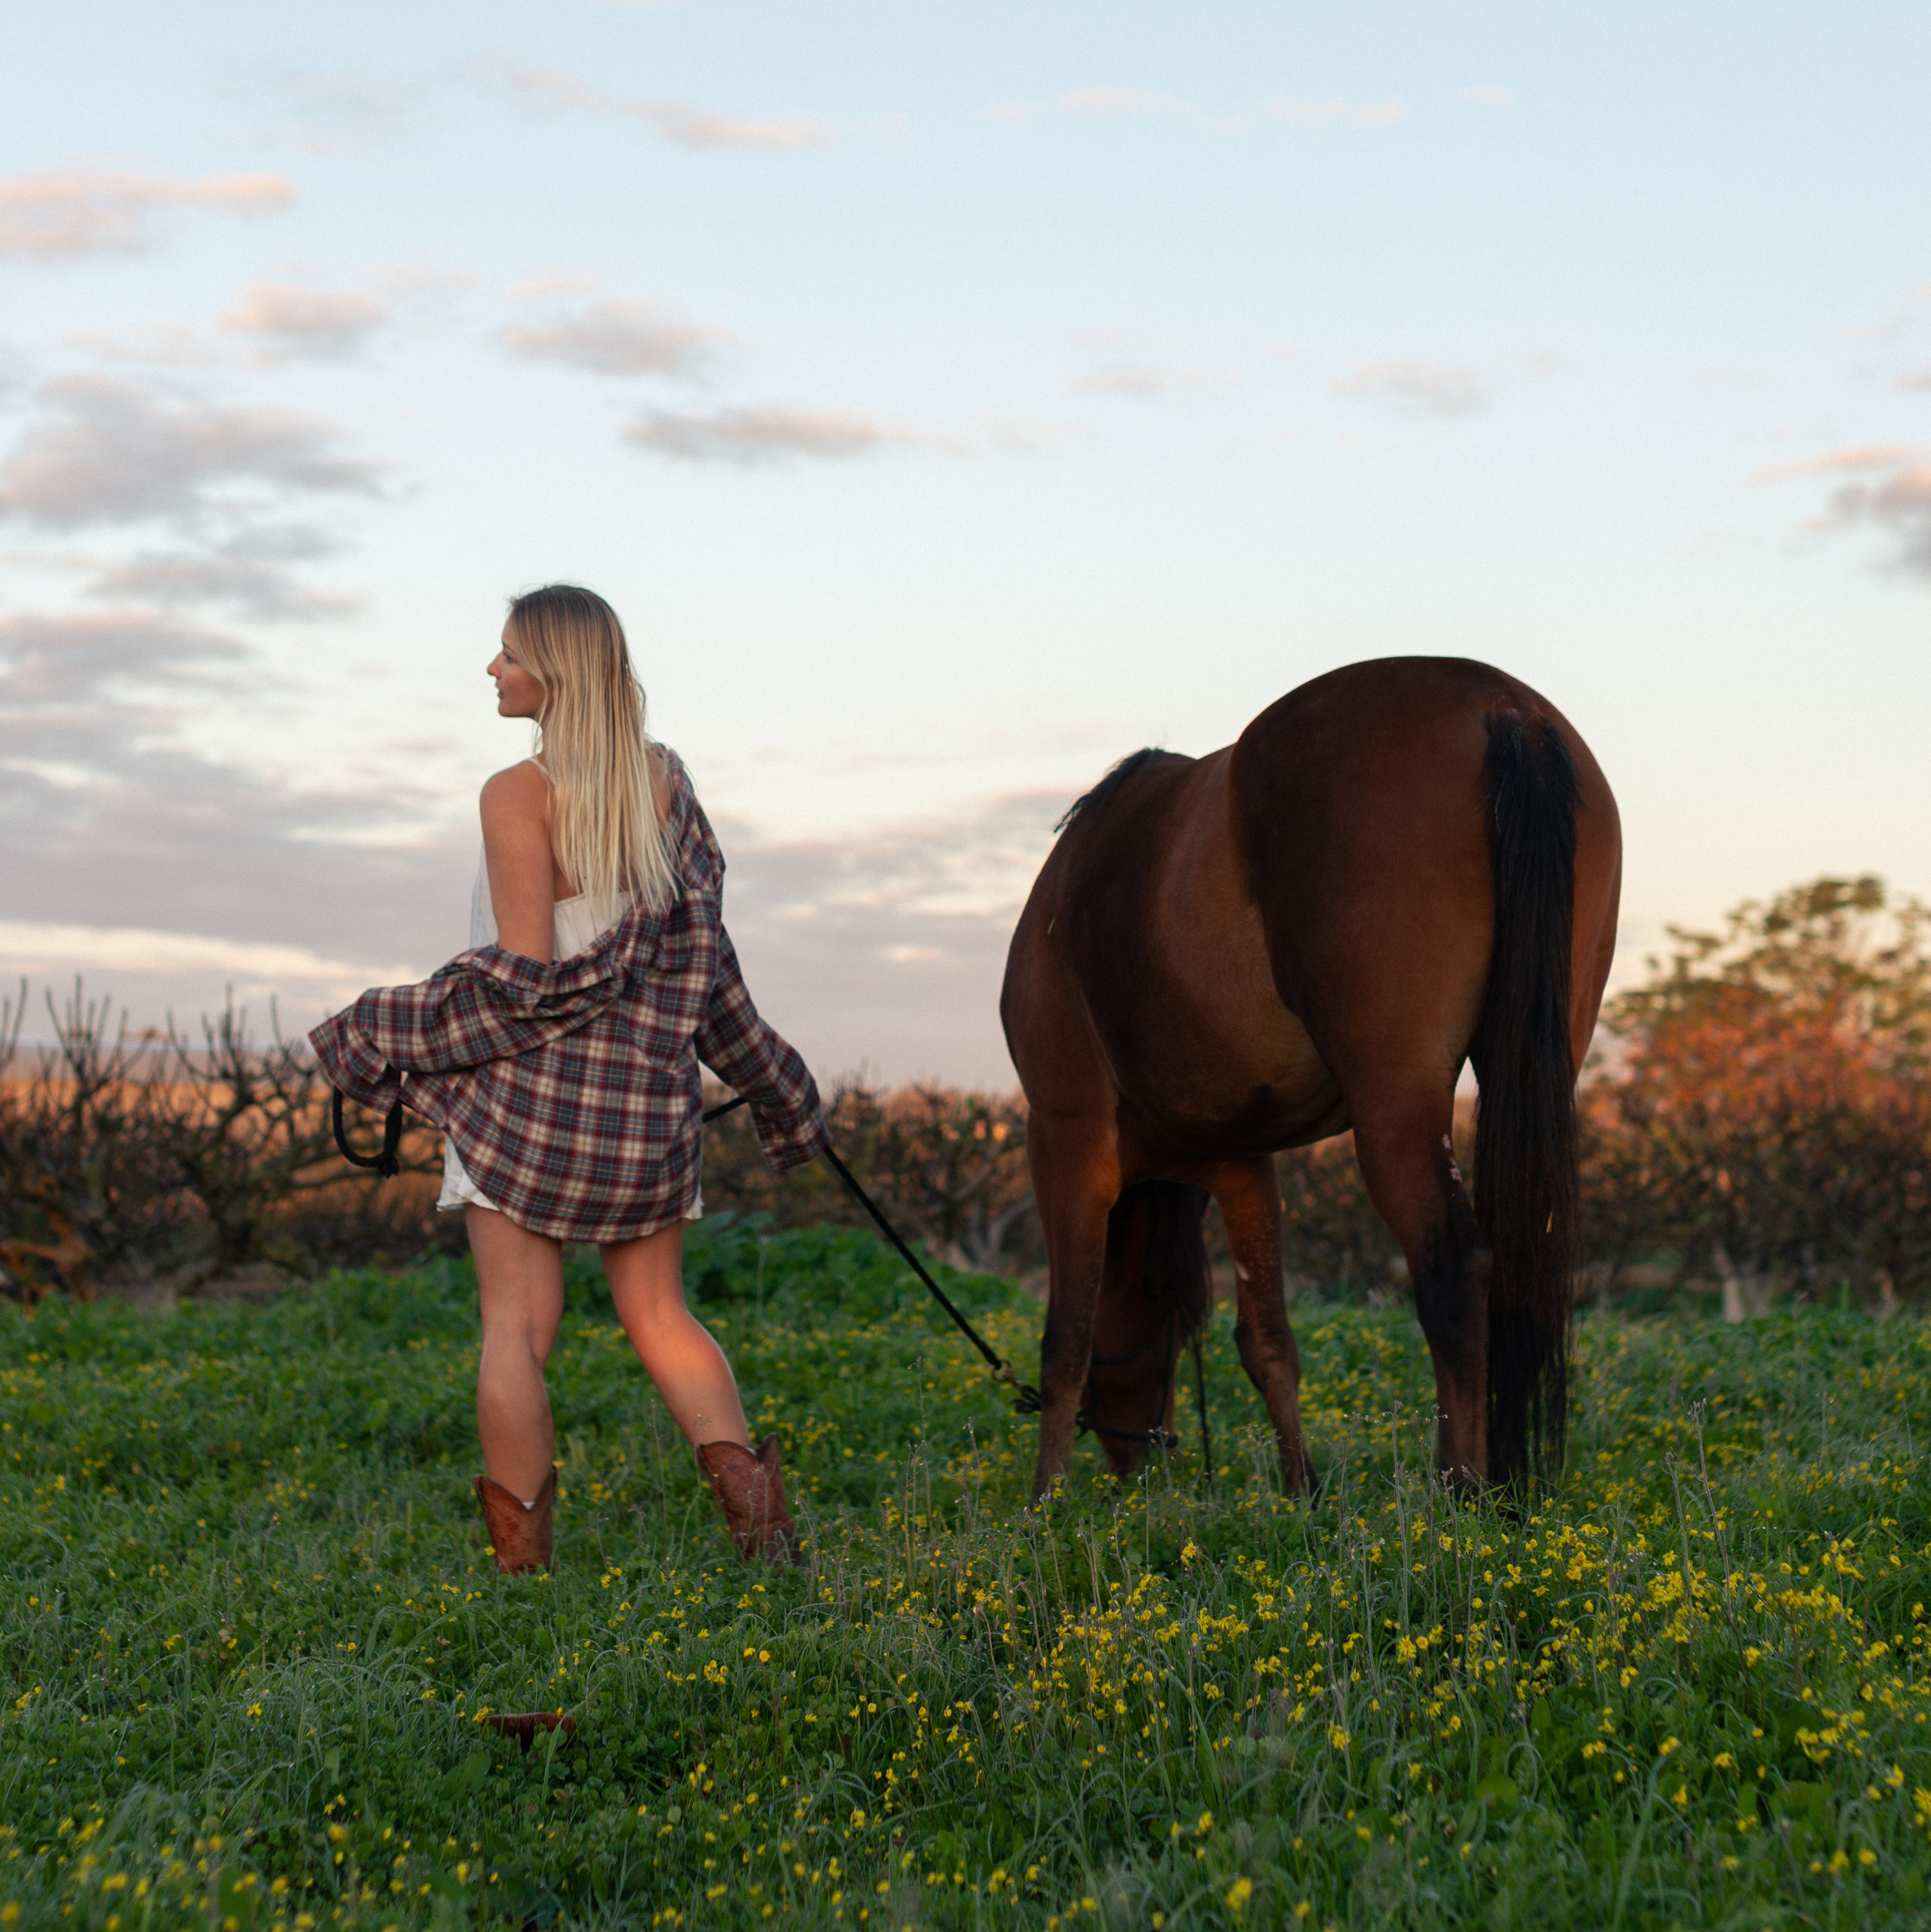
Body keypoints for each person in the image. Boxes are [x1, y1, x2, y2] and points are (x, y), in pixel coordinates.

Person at [313, 584, 827, 1573]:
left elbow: (523, 981)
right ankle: (767, 1544)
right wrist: (777, 1086)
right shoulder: (666, 783)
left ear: (554, 670)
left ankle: (522, 1575)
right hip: (642, 1110)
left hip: (525, 1108)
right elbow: (705, 973)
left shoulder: (516, 792)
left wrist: (386, 1029)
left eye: (507, 654)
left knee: (514, 1327)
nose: (492, 671)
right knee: (663, 1317)